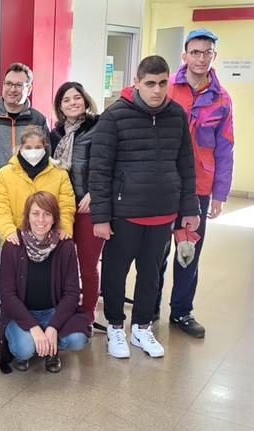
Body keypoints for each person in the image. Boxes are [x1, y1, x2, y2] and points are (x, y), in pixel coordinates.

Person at [89, 55, 200, 359]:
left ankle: (141, 328)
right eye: (150, 83)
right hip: (124, 214)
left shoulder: (177, 115)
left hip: (163, 212)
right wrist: (101, 217)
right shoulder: (114, 117)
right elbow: (99, 170)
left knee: (151, 275)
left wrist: (189, 209)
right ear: (136, 83)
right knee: (114, 274)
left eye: (163, 83)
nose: (157, 90)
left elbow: (186, 166)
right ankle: (114, 327)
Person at [156, 28, 234, 337]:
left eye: (208, 53)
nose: (201, 58)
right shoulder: (166, 88)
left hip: (199, 188)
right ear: (184, 55)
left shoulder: (221, 98)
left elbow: (225, 146)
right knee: (156, 251)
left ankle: (181, 312)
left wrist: (220, 193)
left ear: (214, 56)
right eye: (196, 52)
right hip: (162, 183)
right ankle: (149, 309)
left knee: (188, 252)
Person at [0, 62, 51, 337]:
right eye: (9, 83)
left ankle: (24, 306)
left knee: (30, 256)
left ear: (29, 87)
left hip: (33, 206)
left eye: (19, 84)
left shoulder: (39, 119)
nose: (12, 89)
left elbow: (46, 162)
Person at [0, 191, 90, 374]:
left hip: (52, 311)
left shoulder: (65, 246)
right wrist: (34, 327)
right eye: (35, 213)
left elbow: (72, 293)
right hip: (21, 314)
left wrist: (53, 326)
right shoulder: (12, 245)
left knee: (78, 339)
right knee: (24, 349)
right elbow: (7, 295)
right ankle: (29, 348)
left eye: (47, 214)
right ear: (27, 216)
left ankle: (51, 348)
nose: (41, 219)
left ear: (54, 218)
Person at [50, 82, 104, 324]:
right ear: (60, 107)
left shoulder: (99, 126)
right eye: (66, 100)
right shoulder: (55, 135)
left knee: (88, 264)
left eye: (76, 98)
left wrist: (94, 193)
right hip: (61, 208)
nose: (72, 103)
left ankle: (88, 313)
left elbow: (108, 164)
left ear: (85, 99)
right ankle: (64, 308)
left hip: (88, 207)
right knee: (62, 264)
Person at [0, 125, 75, 245]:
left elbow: (66, 206)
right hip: (16, 240)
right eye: (28, 147)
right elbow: (0, 209)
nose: (33, 151)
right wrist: (8, 231)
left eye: (38, 147)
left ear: (45, 148)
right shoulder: (3, 174)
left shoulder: (60, 174)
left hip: (52, 239)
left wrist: (64, 227)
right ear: (20, 148)